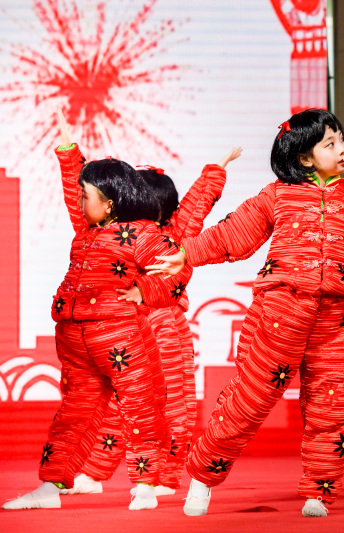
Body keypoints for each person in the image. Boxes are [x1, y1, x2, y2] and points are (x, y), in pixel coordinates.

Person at [146, 109, 344, 517]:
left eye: (341, 140)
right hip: (282, 309)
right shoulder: (278, 194)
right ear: (304, 157)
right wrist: (186, 254)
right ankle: (202, 477)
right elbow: (233, 233)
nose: (342, 149)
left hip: (341, 316)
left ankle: (319, 491)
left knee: (335, 403)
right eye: (330, 143)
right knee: (249, 399)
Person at [3, 113, 192, 511]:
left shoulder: (140, 232)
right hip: (77, 343)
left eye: (86, 195)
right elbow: (73, 186)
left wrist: (144, 291)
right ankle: (50, 486)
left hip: (122, 338)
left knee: (140, 407)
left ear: (108, 203)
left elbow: (176, 269)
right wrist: (68, 151)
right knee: (72, 415)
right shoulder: (86, 229)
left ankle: (145, 486)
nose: (79, 200)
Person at [61, 130, 241, 496]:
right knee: (119, 403)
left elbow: (196, 205)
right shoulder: (111, 232)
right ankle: (95, 473)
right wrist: (69, 155)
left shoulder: (175, 232)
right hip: (126, 327)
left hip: (166, 327)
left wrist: (215, 170)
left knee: (173, 403)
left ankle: (164, 476)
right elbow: (78, 194)